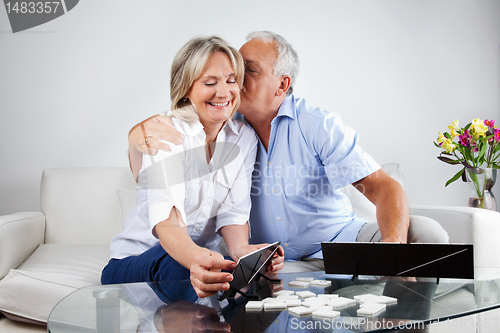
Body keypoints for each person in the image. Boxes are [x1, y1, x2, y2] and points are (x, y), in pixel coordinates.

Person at [127, 31, 448, 273]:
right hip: (266, 257)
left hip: (335, 244)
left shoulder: (316, 124)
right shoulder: (222, 123)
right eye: (232, 69)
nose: (233, 80)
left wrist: (393, 247)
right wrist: (134, 136)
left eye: (247, 70)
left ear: (282, 85)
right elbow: (159, 162)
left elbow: (383, 188)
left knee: (427, 235)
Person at [101, 35, 284, 297]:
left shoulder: (244, 138)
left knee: (247, 279)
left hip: (196, 260)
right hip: (135, 261)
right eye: (210, 82)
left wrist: (245, 253)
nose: (224, 92)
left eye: (232, 80)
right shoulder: (165, 133)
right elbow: (169, 224)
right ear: (185, 88)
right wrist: (199, 260)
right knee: (183, 269)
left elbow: (233, 214)